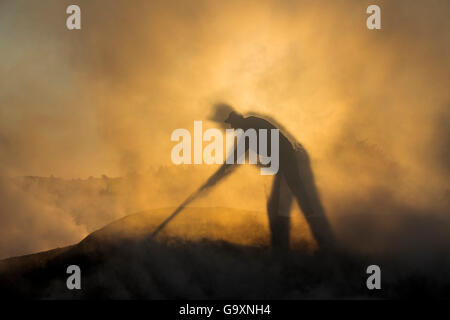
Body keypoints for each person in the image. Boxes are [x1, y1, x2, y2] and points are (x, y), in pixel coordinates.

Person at [209, 103, 336, 252]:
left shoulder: (250, 129)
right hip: (285, 163)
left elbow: (233, 160)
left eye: (232, 124)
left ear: (237, 121)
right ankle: (312, 244)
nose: (231, 128)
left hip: (289, 162)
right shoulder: (250, 126)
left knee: (297, 202)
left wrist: (214, 179)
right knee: (289, 205)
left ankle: (299, 247)